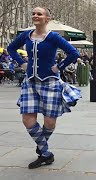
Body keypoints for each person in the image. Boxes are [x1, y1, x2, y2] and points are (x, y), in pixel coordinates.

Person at [7, 7, 81, 169]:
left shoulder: (53, 37)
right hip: (30, 82)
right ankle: (46, 153)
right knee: (27, 119)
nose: (35, 16)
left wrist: (58, 67)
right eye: (33, 13)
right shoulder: (26, 35)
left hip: (50, 82)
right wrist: (22, 63)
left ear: (47, 18)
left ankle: (42, 148)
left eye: (39, 14)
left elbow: (74, 53)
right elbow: (10, 48)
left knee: (49, 121)